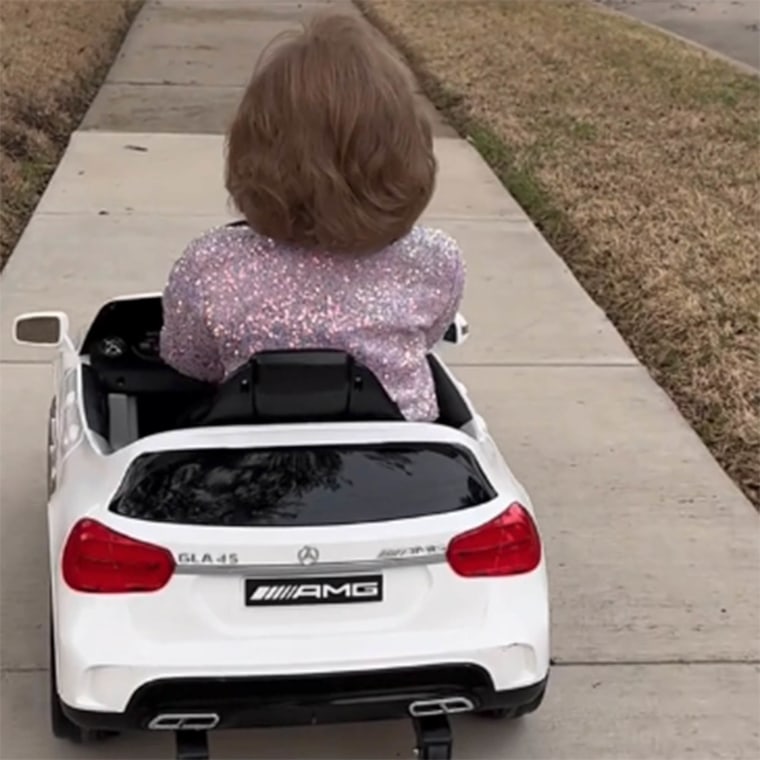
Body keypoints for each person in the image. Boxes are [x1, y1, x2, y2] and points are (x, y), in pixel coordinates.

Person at [159, 13, 465, 422]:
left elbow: (189, 361)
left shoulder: (211, 263)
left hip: (246, 461)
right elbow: (426, 340)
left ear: (252, 150)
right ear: (408, 149)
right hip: (406, 461)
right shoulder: (434, 260)